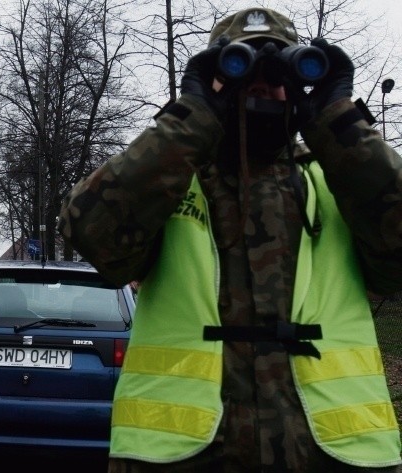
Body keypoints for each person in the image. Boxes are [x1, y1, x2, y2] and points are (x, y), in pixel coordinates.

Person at [58, 7, 402, 472]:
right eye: (243, 68)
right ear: (218, 77)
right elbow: (92, 233)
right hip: (182, 453)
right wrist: (191, 117)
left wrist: (339, 121)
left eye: (280, 68)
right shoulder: (172, 177)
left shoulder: (339, 178)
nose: (262, 83)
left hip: (334, 450)